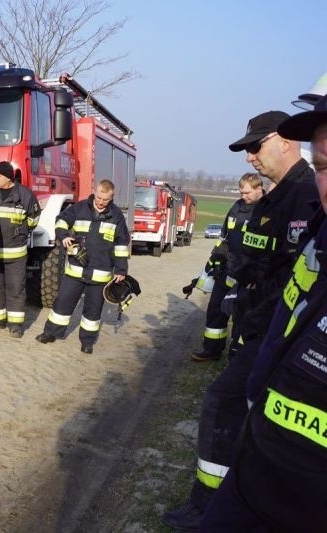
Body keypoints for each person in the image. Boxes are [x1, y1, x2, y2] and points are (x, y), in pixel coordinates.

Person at [163, 110, 318, 531]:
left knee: (224, 401)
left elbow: (293, 279)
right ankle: (226, 500)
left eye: (255, 146)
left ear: (284, 142)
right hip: (254, 329)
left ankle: (208, 503)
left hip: (276, 336)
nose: (249, 158)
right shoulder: (274, 197)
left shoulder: (307, 195)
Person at [35, 180, 129, 353]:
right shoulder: (80, 208)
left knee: (93, 311)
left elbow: (121, 244)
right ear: (95, 192)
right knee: (62, 304)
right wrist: (63, 235)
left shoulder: (117, 216)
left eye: (105, 200)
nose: (101, 202)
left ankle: (87, 341)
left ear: (111, 198)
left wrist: (121, 270)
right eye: (99, 197)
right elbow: (61, 220)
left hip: (100, 274)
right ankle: (51, 333)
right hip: (76, 270)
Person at [190, 173, 264, 362]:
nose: (243, 197)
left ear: (259, 189)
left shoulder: (266, 211)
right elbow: (224, 238)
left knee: (241, 318)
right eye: (241, 192)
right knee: (216, 310)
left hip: (248, 277)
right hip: (227, 272)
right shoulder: (236, 207)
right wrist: (214, 260)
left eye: (247, 193)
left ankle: (236, 356)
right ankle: (212, 350)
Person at [0, 161, 41, 338]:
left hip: (16, 253)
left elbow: (33, 219)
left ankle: (15, 325)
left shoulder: (25, 194)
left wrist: (20, 232)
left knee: (16, 288)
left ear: (8, 177)